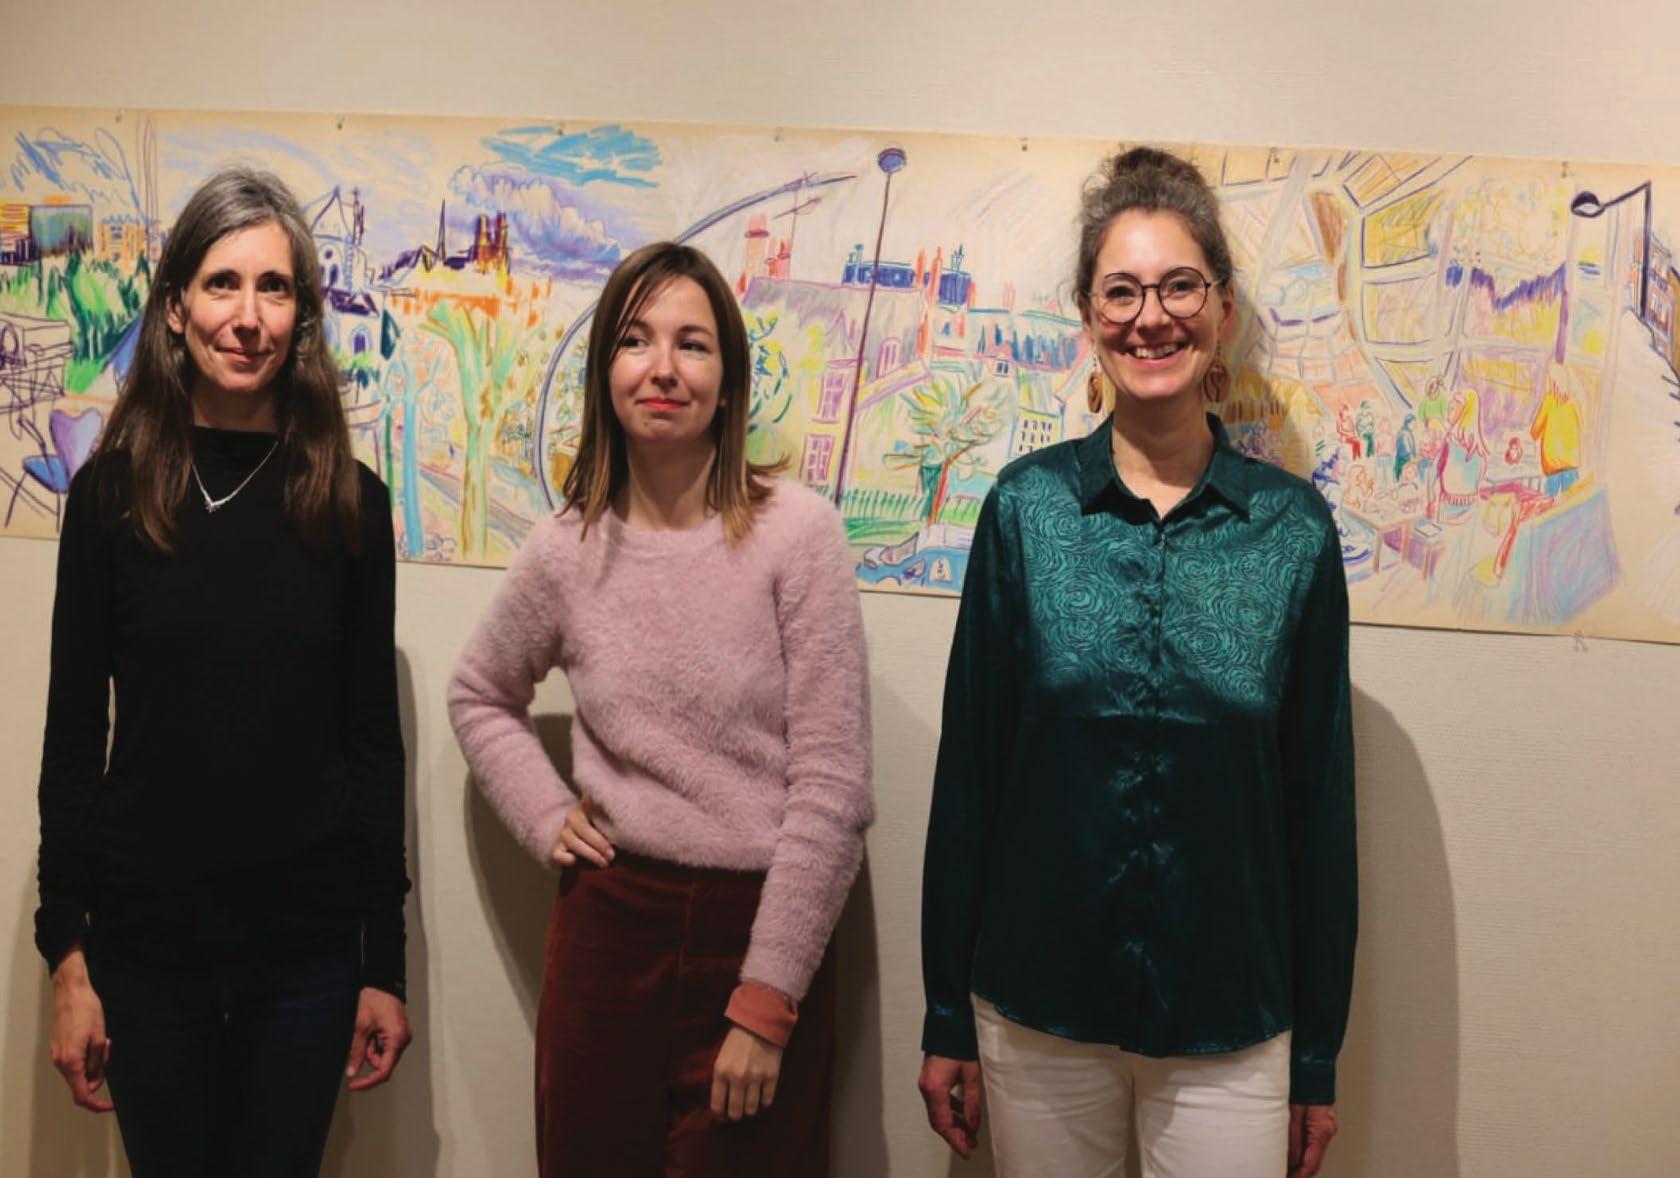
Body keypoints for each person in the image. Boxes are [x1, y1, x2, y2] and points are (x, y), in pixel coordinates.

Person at [917, 146, 1356, 1178]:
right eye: (1121, 290)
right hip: (1037, 1007)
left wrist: (1318, 1055)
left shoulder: (1293, 532)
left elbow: (1319, 812)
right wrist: (944, 1011)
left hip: (1232, 1018)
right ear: (1088, 314)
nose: (1150, 317)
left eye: (1178, 286)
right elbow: (969, 778)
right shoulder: (1025, 512)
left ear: (1223, 308)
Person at [448, 241, 872, 1177]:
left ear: (728, 379)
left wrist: (767, 999)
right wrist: (543, 813)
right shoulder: (565, 548)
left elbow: (834, 788)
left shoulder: (799, 536)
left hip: (759, 932)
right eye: (636, 341)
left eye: (694, 344)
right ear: (605, 372)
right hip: (608, 933)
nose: (664, 368)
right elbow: (479, 694)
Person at [36, 166, 412, 1177]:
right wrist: (66, 956)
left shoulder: (351, 504)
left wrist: (384, 963)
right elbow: (73, 738)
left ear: (302, 316)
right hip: (145, 957)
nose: (248, 317)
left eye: (274, 287)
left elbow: (373, 745)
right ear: (175, 307)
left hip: (306, 963)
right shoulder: (109, 498)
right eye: (222, 284)